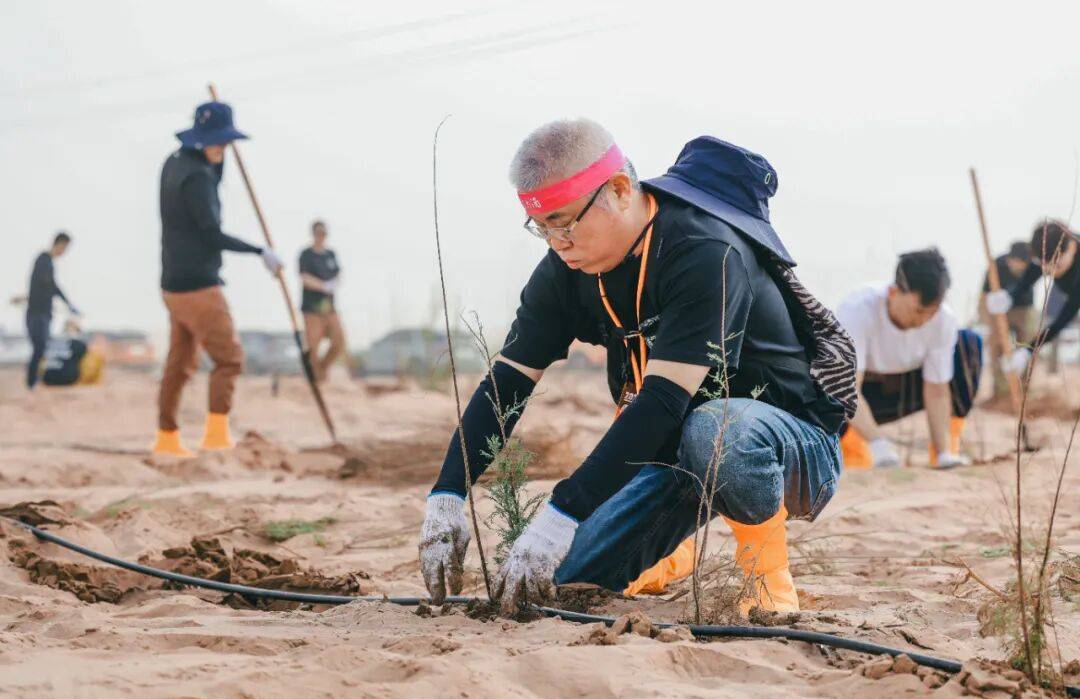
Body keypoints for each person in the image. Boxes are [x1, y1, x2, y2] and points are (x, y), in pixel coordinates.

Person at [418, 120, 853, 616]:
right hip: (671, 453)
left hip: (785, 446)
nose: (556, 243)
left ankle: (765, 576)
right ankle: (673, 553)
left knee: (717, 429)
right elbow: (507, 384)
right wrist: (448, 493)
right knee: (564, 579)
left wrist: (560, 512)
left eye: (564, 222)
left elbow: (663, 401)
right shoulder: (567, 269)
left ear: (621, 190)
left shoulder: (705, 251)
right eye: (540, 227)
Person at [152, 100, 283, 457]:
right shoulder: (199, 179)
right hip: (199, 285)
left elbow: (209, 184)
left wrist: (220, 160)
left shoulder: (175, 163)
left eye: (225, 143)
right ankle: (216, 436)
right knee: (229, 359)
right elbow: (211, 233)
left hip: (172, 283)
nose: (221, 148)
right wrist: (259, 251)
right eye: (218, 142)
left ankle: (166, 437)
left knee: (180, 363)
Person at [836, 249, 981, 469]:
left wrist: (944, 453)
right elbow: (847, 388)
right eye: (918, 311)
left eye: (930, 313)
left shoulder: (943, 319)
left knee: (969, 343)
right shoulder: (857, 310)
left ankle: (946, 449)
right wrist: (878, 443)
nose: (923, 320)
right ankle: (853, 448)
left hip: (906, 390)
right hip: (861, 394)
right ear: (893, 292)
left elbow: (937, 390)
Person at [986, 221, 1080, 375]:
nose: (1052, 272)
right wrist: (1008, 296)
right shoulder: (1046, 250)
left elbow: (1063, 319)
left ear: (1071, 247)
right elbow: (1025, 282)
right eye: (1045, 267)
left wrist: (1028, 350)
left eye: (1057, 266)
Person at [13, 233, 78, 390]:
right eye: (65, 248)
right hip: (36, 314)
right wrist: (66, 303)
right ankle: (31, 383)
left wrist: (69, 304)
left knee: (41, 347)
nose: (64, 252)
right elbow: (49, 285)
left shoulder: (49, 263)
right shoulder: (43, 260)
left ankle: (34, 381)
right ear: (60, 244)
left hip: (45, 314)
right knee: (39, 347)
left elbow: (53, 286)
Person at [980, 241, 1034, 395]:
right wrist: (986, 316)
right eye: (1018, 266)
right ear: (1010, 260)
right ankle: (999, 389)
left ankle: (1023, 388)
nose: (1020, 269)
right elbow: (985, 293)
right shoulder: (996, 265)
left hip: (1024, 308)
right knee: (996, 346)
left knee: (1027, 345)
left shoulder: (1032, 266)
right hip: (999, 311)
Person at [298, 220, 346, 382]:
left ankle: (322, 370)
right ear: (313, 234)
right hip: (311, 308)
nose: (321, 236)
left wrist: (334, 284)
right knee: (312, 346)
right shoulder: (306, 254)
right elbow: (304, 277)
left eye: (324, 233)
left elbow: (338, 274)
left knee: (339, 341)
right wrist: (323, 286)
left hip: (329, 308)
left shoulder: (331, 254)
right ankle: (315, 379)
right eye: (318, 233)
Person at [41, 319, 105, 387]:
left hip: (46, 378)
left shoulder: (52, 341)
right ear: (77, 330)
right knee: (93, 356)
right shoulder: (79, 344)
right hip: (68, 379)